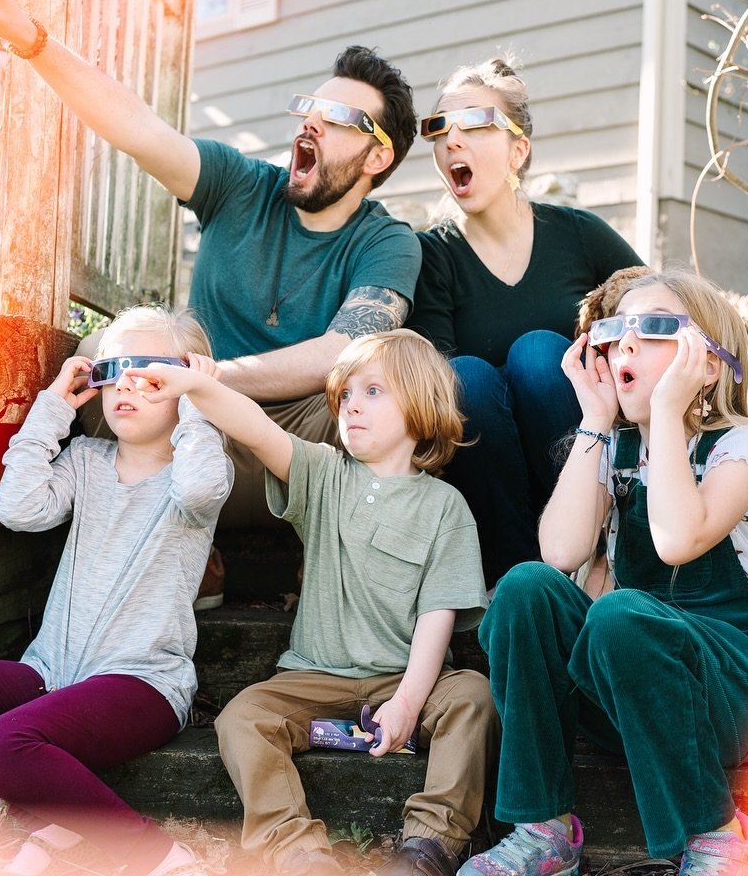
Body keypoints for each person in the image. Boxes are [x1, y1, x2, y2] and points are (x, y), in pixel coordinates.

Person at [0, 0, 421, 534]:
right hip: (191, 437)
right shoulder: (239, 185)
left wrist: (213, 374)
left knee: (391, 399)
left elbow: (343, 353)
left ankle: (330, 559)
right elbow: (135, 126)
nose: (312, 123)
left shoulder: (387, 243)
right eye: (311, 107)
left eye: (339, 117)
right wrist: (31, 40)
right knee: (102, 359)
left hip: (297, 451)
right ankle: (186, 543)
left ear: (377, 157)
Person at [459, 269, 748, 876]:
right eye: (616, 330)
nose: (625, 343)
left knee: (620, 613)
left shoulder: (743, 449)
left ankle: (717, 839)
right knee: (525, 588)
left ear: (709, 362)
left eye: (654, 327)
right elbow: (561, 553)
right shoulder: (610, 450)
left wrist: (667, 413)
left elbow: (677, 539)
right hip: (627, 691)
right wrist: (594, 418)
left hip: (727, 691)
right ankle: (544, 831)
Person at [124, 329, 493, 876]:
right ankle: (297, 850)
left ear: (420, 405)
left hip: (404, 678)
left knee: (474, 695)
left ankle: (429, 845)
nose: (351, 406)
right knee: (243, 717)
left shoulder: (446, 507)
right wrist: (196, 384)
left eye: (373, 392)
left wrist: (409, 704)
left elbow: (437, 618)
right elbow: (253, 426)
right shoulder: (323, 475)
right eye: (345, 395)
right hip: (314, 677)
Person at [0, 306, 233, 876]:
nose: (127, 385)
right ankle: (58, 820)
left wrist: (200, 402)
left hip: (140, 684)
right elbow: (19, 509)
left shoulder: (197, 470)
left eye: (152, 375)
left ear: (185, 385)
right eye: (114, 370)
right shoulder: (85, 461)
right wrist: (51, 410)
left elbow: (200, 488)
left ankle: (161, 858)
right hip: (52, 674)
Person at [406, 58, 642, 587]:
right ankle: (514, 581)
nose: (452, 141)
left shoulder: (579, 235)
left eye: (474, 124)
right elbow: (437, 395)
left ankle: (590, 554)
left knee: (539, 354)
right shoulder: (432, 257)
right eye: (441, 127)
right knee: (463, 376)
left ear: (518, 149)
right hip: (491, 493)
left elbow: (655, 309)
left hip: (586, 466)